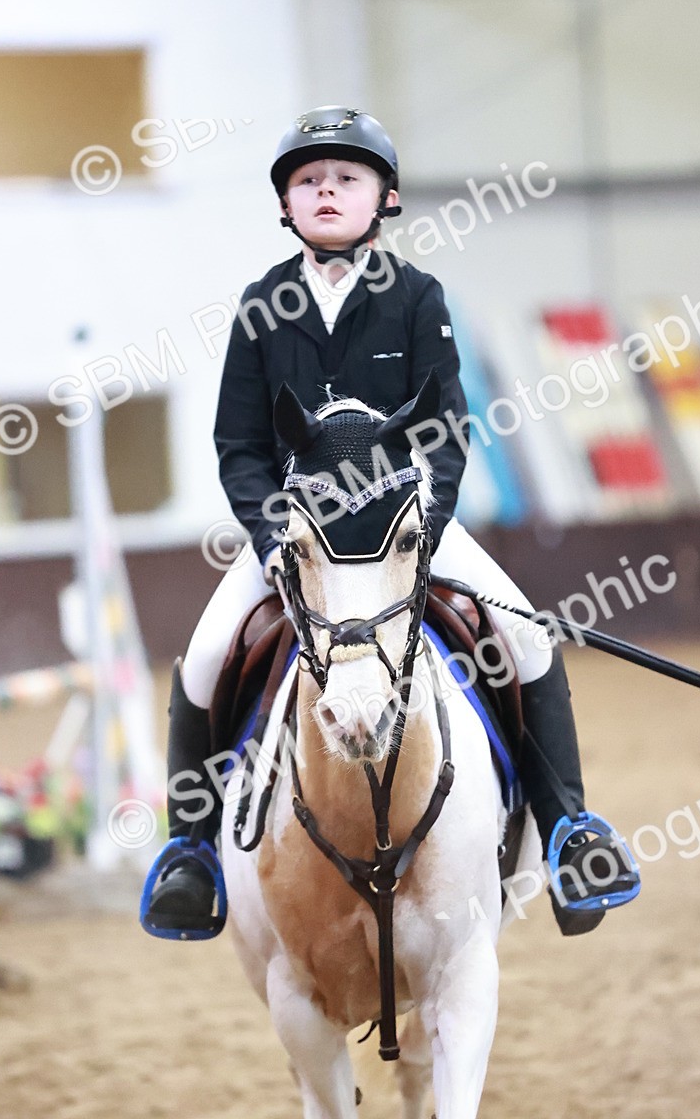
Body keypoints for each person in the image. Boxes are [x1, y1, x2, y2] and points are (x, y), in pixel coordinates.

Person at [143, 105, 640, 940]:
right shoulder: (262, 305)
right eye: (309, 180)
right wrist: (274, 540)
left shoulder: (416, 297)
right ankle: (191, 850)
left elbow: (445, 430)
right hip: (301, 540)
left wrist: (424, 530)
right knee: (203, 660)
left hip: (407, 529)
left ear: (386, 197)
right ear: (286, 204)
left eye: (347, 177)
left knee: (528, 639)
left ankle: (569, 833)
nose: (326, 190)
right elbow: (240, 445)